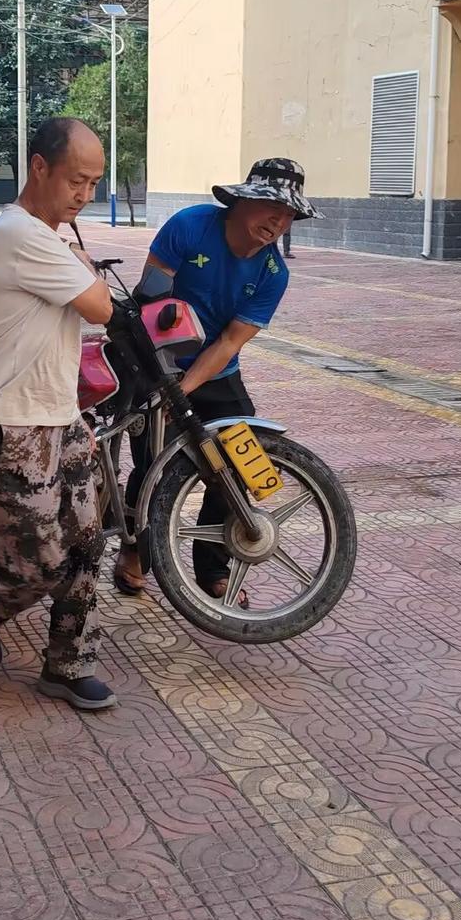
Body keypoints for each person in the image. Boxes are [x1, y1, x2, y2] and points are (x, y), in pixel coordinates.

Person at [0, 118, 118, 711]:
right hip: (8, 421)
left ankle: (68, 665)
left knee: (89, 542)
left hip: (57, 416)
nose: (84, 195)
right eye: (77, 180)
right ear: (39, 167)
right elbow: (100, 306)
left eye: (94, 183)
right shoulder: (22, 235)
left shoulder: (47, 238)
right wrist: (82, 260)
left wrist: (74, 417)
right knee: (40, 561)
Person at [113, 157, 319, 605]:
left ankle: (213, 568)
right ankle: (134, 552)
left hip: (216, 371)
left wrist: (185, 390)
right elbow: (150, 300)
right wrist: (166, 387)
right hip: (153, 360)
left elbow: (229, 342)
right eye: (271, 208)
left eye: (287, 215)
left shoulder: (273, 274)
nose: (278, 222)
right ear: (242, 201)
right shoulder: (189, 227)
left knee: (242, 462)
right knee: (153, 466)